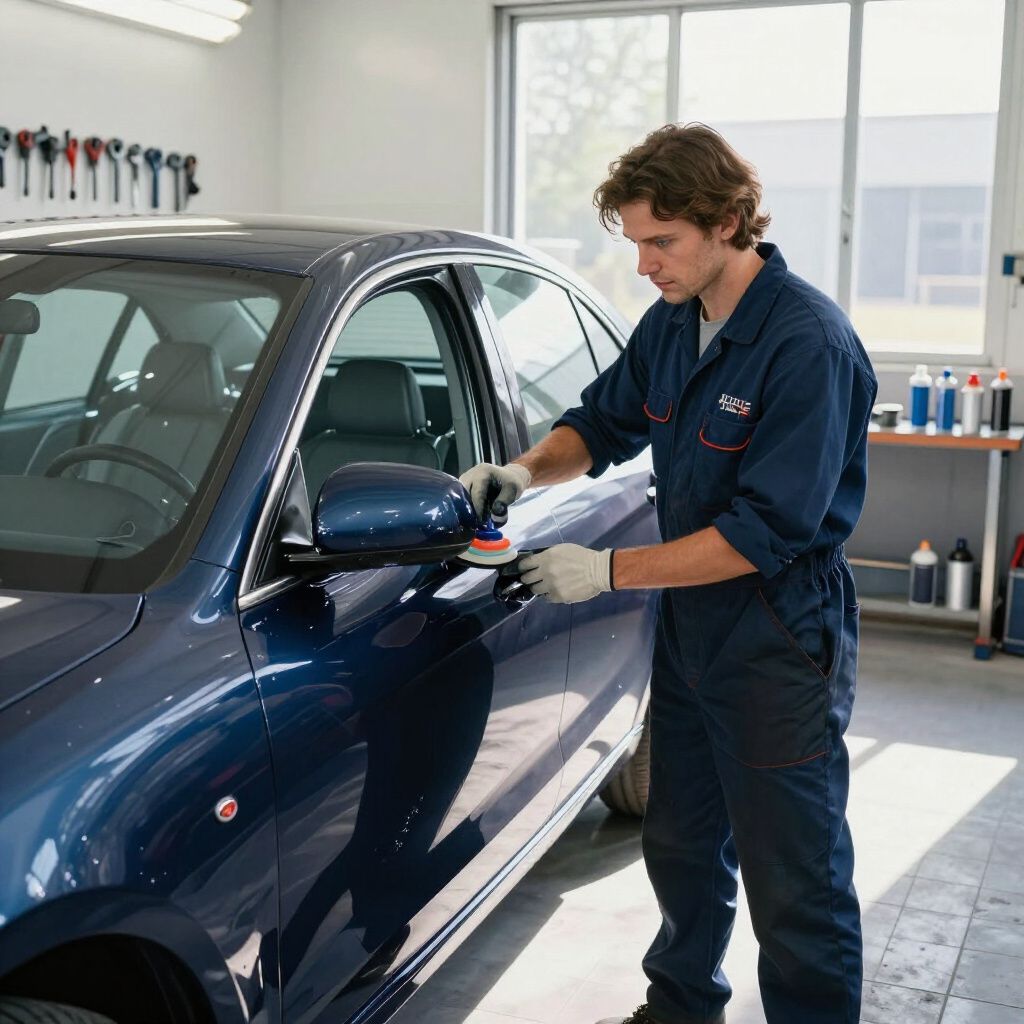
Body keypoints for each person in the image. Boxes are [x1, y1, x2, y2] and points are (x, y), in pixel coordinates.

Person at [459, 123, 878, 1024]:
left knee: (794, 879)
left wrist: (607, 570)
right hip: (691, 633)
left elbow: (763, 533)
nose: (645, 265)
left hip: (778, 637)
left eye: (663, 242)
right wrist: (525, 471)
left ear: (729, 222)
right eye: (638, 242)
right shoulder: (673, 323)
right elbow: (603, 423)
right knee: (683, 845)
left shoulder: (808, 345)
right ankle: (681, 1006)